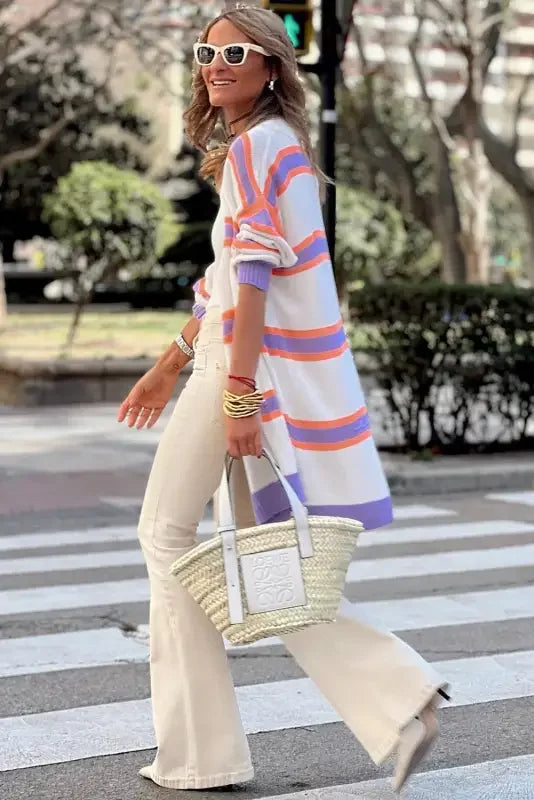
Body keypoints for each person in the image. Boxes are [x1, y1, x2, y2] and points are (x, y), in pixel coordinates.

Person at [117, 6, 449, 793]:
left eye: (237, 51)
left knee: (166, 538)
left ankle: (204, 754)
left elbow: (258, 272)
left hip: (241, 374)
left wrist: (234, 393)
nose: (217, 62)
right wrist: (169, 362)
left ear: (272, 66)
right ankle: (401, 698)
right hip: (233, 367)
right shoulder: (263, 147)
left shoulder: (262, 145)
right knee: (264, 566)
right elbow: (228, 280)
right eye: (208, 51)